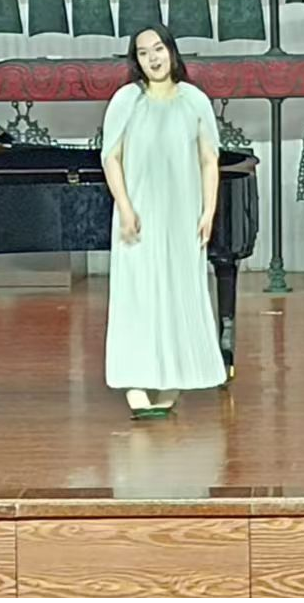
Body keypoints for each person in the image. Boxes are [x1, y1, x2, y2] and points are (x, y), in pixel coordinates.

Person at [99, 26, 229, 418]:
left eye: (158, 49)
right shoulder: (127, 100)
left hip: (182, 216)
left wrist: (208, 211)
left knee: (179, 294)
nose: (153, 58)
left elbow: (209, 160)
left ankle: (175, 380)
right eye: (143, 53)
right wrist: (125, 207)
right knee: (137, 297)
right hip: (137, 216)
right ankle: (135, 383)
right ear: (135, 60)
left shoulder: (194, 100)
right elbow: (111, 158)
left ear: (171, 52)